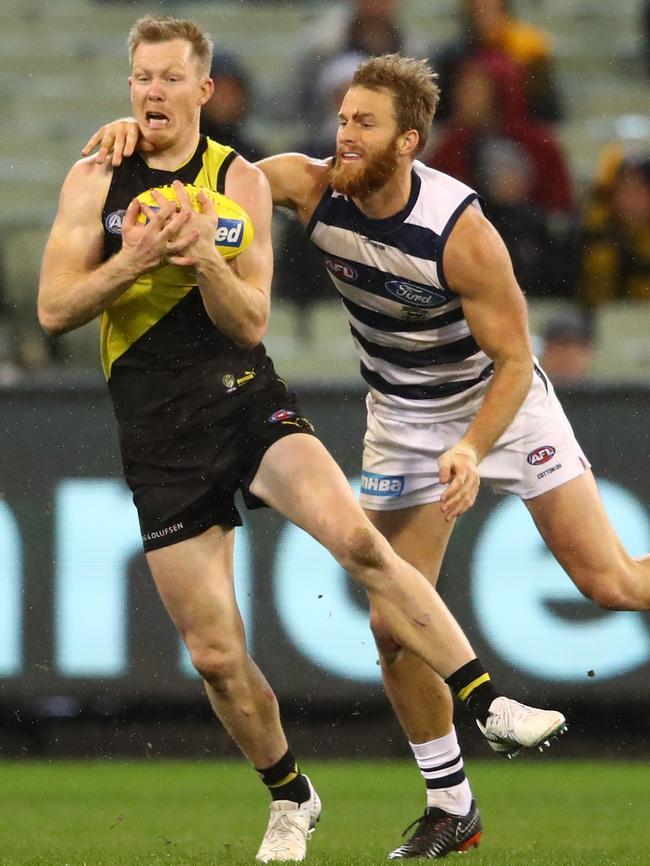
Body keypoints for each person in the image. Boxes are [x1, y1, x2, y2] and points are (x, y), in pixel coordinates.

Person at [43, 20, 566, 864]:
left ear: (202, 91)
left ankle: (487, 702)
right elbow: (55, 309)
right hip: (156, 433)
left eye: (170, 78)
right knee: (216, 657)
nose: (152, 93)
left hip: (246, 403)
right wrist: (134, 258)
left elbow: (250, 320)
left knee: (358, 541)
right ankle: (293, 799)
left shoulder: (240, 180)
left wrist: (201, 260)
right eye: (141, 77)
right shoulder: (96, 175)